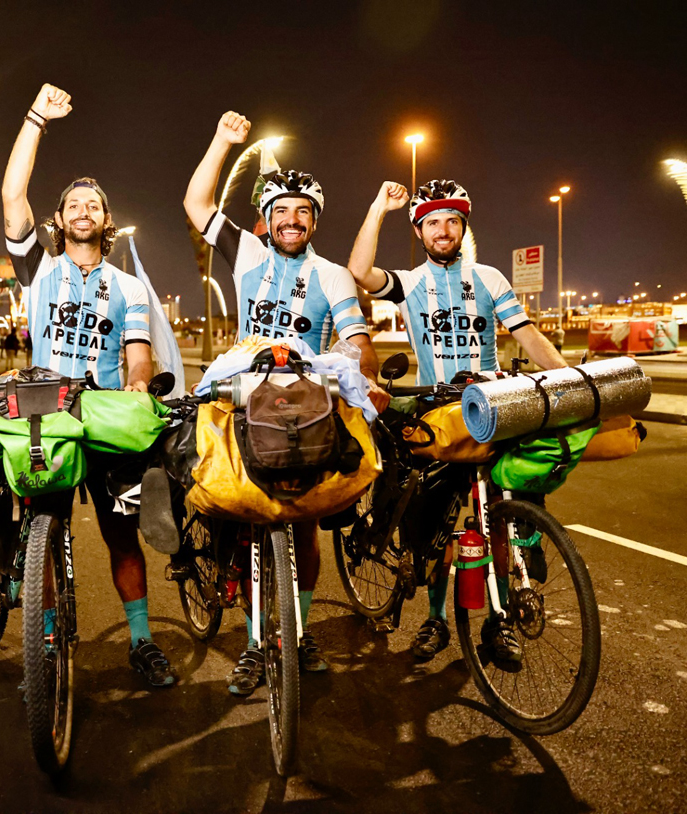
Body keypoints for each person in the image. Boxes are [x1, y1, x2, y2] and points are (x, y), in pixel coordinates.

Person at [184, 110, 391, 697]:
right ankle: (250, 635)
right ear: (267, 219)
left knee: (306, 527)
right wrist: (222, 141)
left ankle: (295, 631)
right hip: (246, 385)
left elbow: (355, 341)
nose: (292, 219)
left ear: (315, 221)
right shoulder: (248, 254)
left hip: (302, 395)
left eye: (303, 212)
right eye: (282, 211)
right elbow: (198, 204)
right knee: (205, 469)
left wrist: (367, 378)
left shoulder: (332, 275)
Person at [346, 179, 567, 661]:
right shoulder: (411, 283)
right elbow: (360, 271)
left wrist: (572, 381)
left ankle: (499, 619)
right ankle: (435, 619)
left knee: (500, 517)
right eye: (432, 224)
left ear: (463, 228)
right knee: (434, 527)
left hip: (492, 404)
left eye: (451, 222)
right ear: (421, 233)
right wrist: (379, 206)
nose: (442, 231)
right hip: (438, 411)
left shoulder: (489, 278)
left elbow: (528, 336)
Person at [1, 83, 174, 688]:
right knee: (39, 536)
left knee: (122, 537)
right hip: (45, 410)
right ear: (58, 220)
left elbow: (137, 354)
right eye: (72, 205)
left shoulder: (127, 287)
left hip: (101, 412)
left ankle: (143, 640)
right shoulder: (38, 269)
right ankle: (43, 640)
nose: (82, 212)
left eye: (92, 206)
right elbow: (11, 194)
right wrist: (36, 120)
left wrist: (136, 387)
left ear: (107, 221)